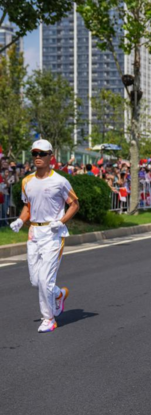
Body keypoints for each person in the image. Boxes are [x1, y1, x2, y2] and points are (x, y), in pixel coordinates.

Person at [10, 139, 80, 333]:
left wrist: (62, 221)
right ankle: (58, 294)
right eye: (35, 153)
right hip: (34, 234)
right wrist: (20, 220)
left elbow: (75, 204)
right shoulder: (27, 181)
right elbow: (28, 206)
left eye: (42, 153)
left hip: (53, 233)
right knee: (35, 281)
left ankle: (49, 319)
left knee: (44, 280)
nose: (38, 157)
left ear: (51, 157)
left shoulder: (60, 181)